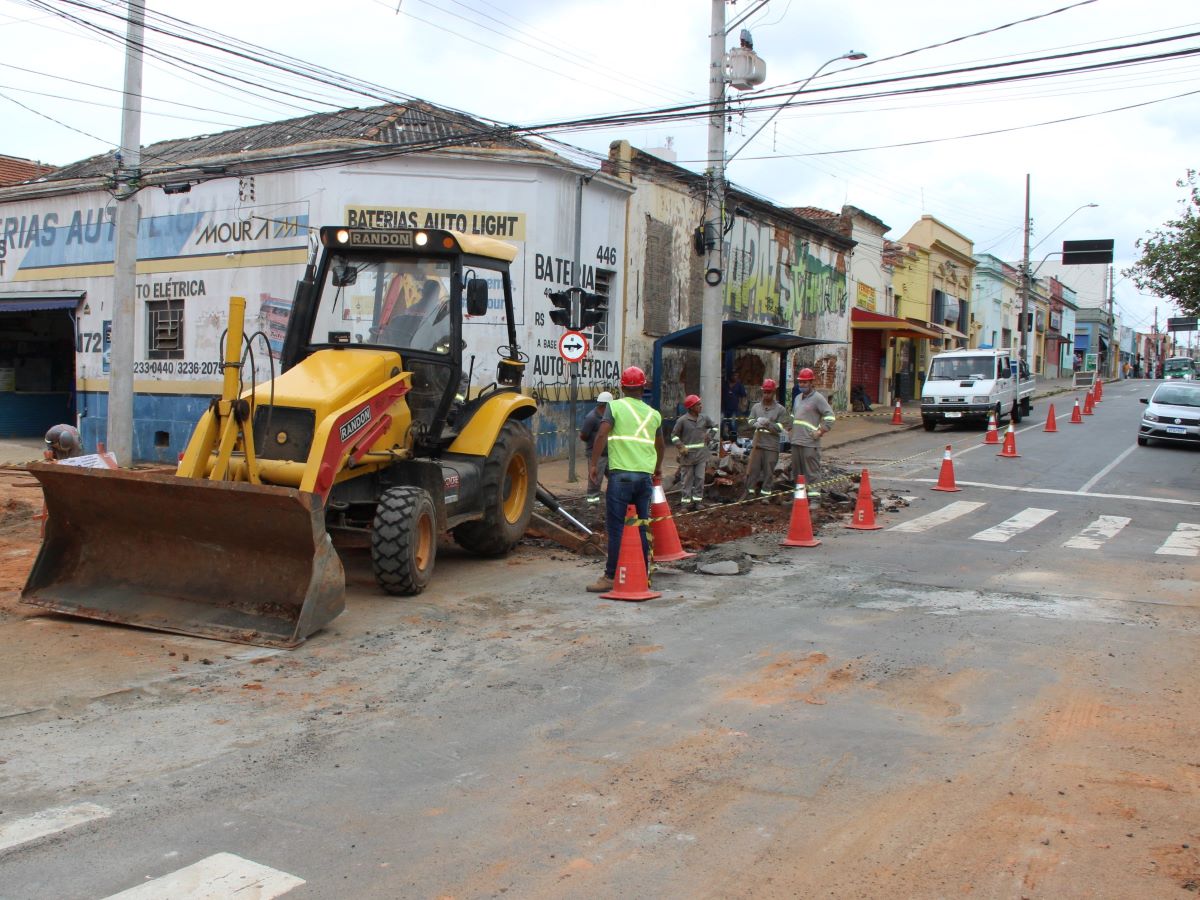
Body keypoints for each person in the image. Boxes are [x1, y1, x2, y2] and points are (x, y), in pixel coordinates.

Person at [587, 366, 664, 594]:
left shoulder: (615, 406)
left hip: (621, 476)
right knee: (642, 525)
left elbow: (601, 434)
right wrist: (657, 468)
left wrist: (593, 464)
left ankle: (612, 575)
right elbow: (661, 445)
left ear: (622, 387)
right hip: (644, 478)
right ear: (643, 387)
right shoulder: (654, 414)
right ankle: (642, 570)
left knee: (617, 526)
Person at [790, 367, 836, 501]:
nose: (802, 385)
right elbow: (794, 415)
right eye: (800, 383)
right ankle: (799, 499)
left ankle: (815, 499)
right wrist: (789, 429)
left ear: (811, 383)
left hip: (810, 442)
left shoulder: (818, 398)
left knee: (812, 472)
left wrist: (820, 431)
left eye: (805, 383)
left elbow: (830, 417)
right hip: (796, 441)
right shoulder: (798, 398)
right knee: (797, 473)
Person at [744, 378, 791, 499]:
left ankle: (765, 495)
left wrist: (768, 424)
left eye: (769, 392)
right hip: (757, 444)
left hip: (771, 445)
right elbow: (749, 419)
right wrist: (754, 423)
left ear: (774, 392)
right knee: (753, 470)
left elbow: (781, 426)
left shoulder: (780, 409)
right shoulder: (756, 408)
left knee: (768, 472)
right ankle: (749, 493)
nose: (766, 394)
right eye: (764, 392)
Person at [670, 394, 717, 509]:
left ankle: (698, 502)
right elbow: (674, 435)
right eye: (698, 404)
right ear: (691, 407)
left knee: (700, 479)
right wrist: (680, 446)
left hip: (701, 455)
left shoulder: (704, 418)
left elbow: (715, 426)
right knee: (686, 480)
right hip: (687, 456)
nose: (700, 406)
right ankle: (685, 503)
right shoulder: (682, 421)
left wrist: (710, 436)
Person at [579, 391, 613, 503]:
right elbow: (583, 435)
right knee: (595, 480)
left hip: (609, 453)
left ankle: (612, 499)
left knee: (614, 477)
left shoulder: (609, 417)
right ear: (605, 405)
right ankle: (592, 503)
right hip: (596, 455)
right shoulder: (591, 418)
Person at [721, 371, 747, 439]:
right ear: (731, 376)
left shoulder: (739, 385)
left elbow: (743, 396)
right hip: (724, 408)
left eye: (737, 376)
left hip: (734, 409)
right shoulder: (725, 384)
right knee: (721, 423)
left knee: (733, 424)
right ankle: (722, 438)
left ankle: (733, 440)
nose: (735, 377)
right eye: (734, 375)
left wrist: (743, 405)